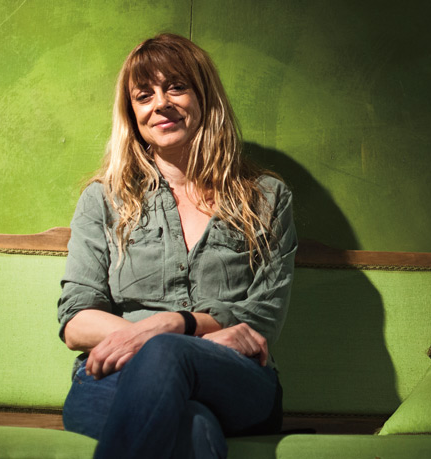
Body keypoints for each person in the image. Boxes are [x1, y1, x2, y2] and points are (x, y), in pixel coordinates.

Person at [57, 33, 297, 459]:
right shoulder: (104, 199)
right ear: (132, 113)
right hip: (115, 373)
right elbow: (77, 320)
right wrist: (162, 333)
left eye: (176, 87)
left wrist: (174, 332)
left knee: (169, 352)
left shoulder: (266, 197)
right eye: (144, 95)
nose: (160, 104)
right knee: (193, 429)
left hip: (234, 379)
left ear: (204, 97)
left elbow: (261, 320)